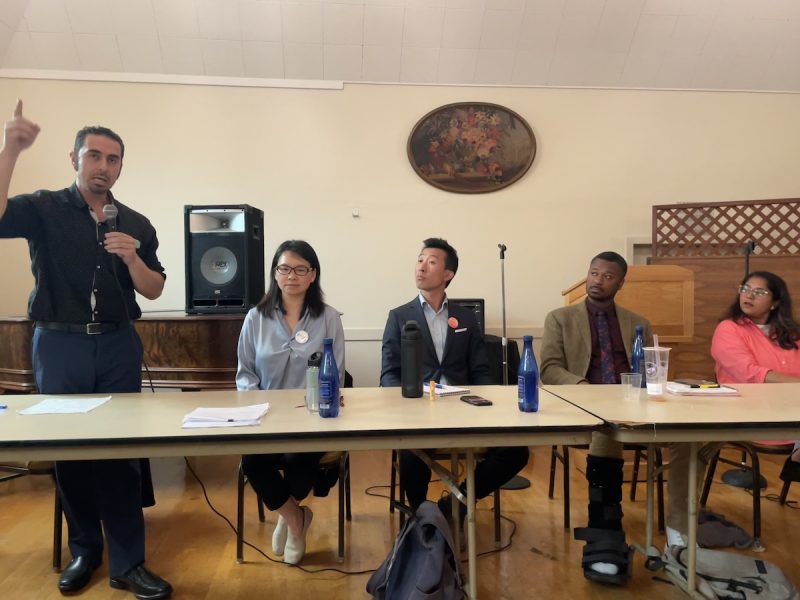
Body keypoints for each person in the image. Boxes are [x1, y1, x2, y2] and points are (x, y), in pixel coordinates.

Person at [0, 101, 171, 598]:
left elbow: (155, 289)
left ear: (121, 167)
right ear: (75, 158)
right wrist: (10, 148)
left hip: (118, 344)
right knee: (69, 452)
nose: (103, 166)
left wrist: (133, 257)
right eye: (94, 156)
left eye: (113, 159)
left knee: (121, 455)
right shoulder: (44, 208)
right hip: (60, 343)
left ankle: (128, 562)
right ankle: (84, 552)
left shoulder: (135, 222)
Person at [380, 237, 529, 525]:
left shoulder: (465, 318)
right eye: (419, 259)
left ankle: (457, 502)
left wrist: (491, 403)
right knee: (412, 453)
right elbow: (389, 373)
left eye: (431, 262)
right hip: (418, 409)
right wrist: (402, 404)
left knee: (516, 450)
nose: (421, 267)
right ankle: (422, 516)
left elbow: (481, 370)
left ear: (448, 274)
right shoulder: (399, 317)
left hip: (462, 407)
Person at [662, 271, 800, 545]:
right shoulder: (729, 328)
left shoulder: (791, 335)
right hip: (740, 414)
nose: (748, 295)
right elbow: (749, 372)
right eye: (745, 288)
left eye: (759, 292)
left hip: (791, 414)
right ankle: (679, 530)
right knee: (687, 443)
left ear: (775, 302)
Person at [540, 251, 652, 585]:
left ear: (620, 282)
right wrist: (585, 387)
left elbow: (648, 370)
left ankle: (680, 534)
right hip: (583, 405)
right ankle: (605, 526)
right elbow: (548, 369)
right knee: (606, 431)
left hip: (630, 404)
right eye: (593, 273)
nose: (597, 281)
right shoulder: (559, 318)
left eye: (606, 276)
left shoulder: (638, 323)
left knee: (681, 437)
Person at [236, 240, 345, 565]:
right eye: (285, 268)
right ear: (275, 273)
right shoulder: (256, 318)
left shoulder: (327, 318)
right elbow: (245, 373)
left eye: (301, 269)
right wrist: (257, 408)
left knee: (300, 461)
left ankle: (288, 517)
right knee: (254, 461)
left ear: (313, 275)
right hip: (266, 417)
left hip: (312, 416)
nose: (292, 276)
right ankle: (297, 520)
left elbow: (335, 369)